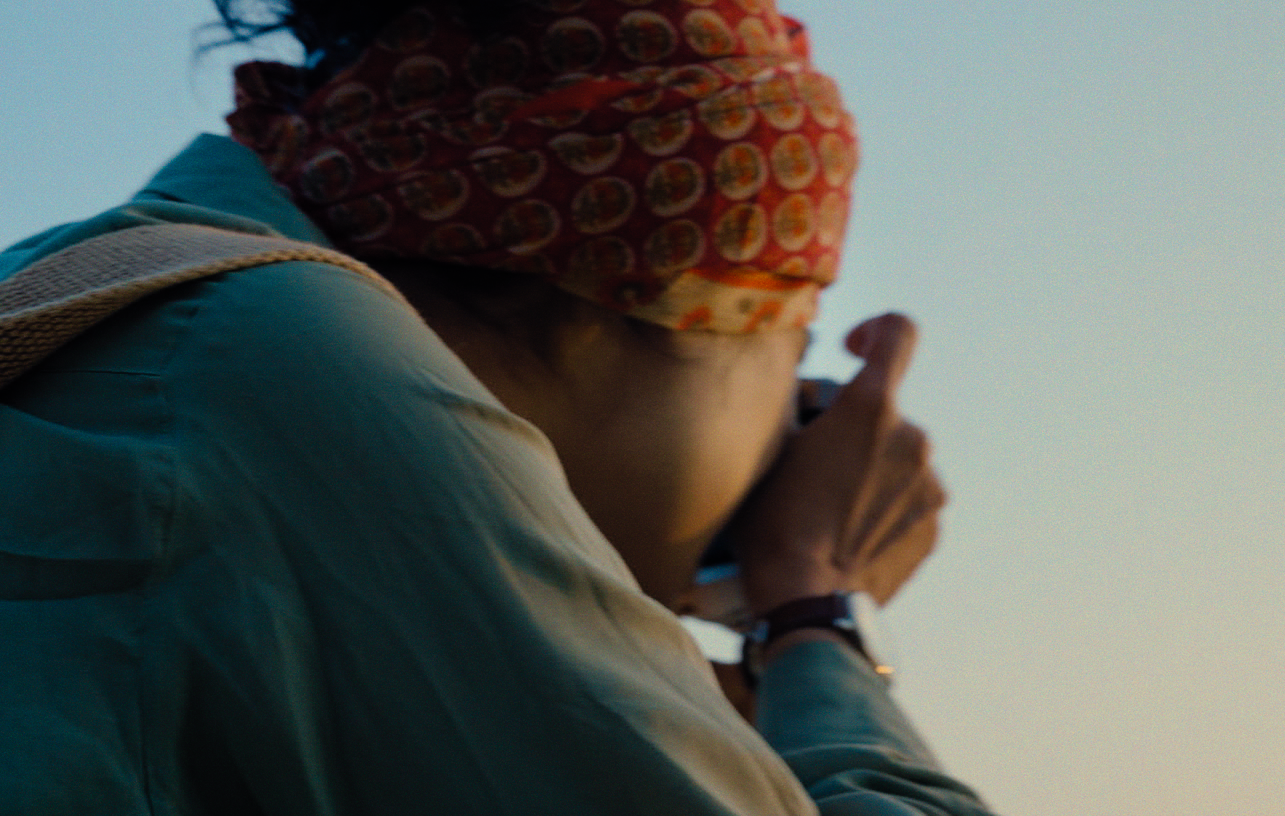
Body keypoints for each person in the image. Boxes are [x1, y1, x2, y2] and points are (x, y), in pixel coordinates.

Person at [0, 1, 993, 814]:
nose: (789, 438)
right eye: (795, 352)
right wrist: (815, 605)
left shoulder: (126, 315)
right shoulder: (308, 390)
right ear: (625, 305)